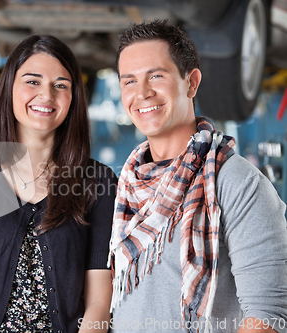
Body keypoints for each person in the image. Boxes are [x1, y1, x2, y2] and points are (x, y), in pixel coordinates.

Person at [108, 20, 287, 333]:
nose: (142, 93)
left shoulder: (236, 182)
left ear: (191, 83)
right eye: (129, 81)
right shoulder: (127, 183)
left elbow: (268, 314)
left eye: (156, 76)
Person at [0, 35, 118, 333]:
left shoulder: (98, 182)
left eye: (61, 85)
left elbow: (99, 301)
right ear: (9, 88)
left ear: (73, 98)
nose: (46, 95)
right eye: (32, 81)